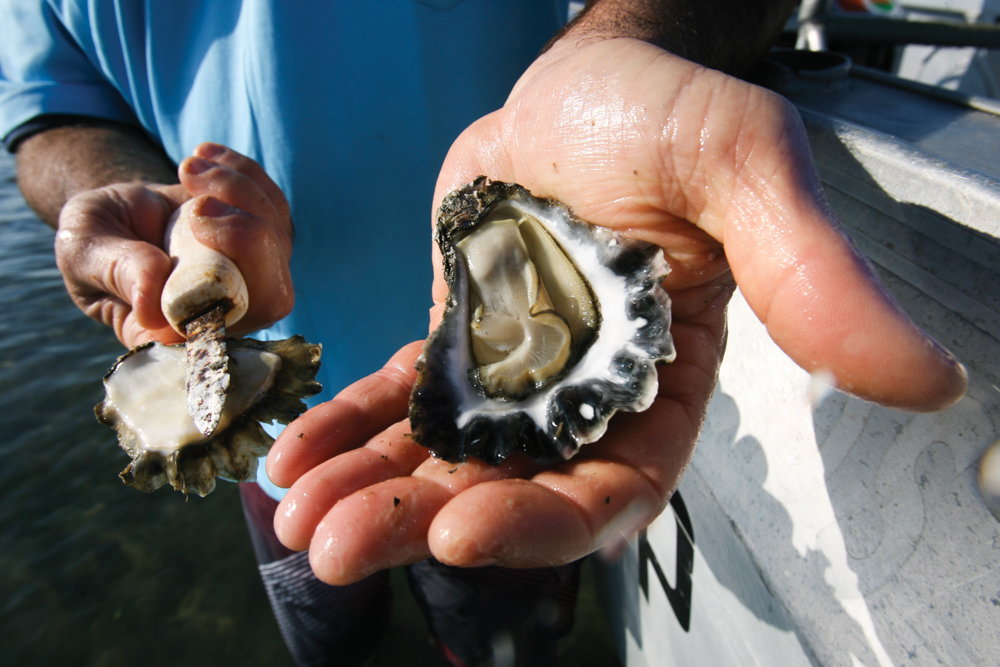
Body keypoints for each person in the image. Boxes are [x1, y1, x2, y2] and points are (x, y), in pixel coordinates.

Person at [1, 1, 967, 665]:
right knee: (326, 620)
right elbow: (51, 116)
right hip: (273, 419)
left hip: (495, 418)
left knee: (501, 630)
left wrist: (643, 35)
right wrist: (131, 194)